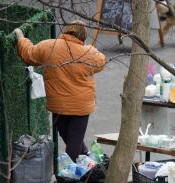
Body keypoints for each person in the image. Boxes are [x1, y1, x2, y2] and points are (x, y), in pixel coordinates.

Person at [14, 21, 106, 161]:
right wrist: (87, 48)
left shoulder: (49, 46)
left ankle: (82, 163)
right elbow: (101, 62)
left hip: (58, 105)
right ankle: (73, 176)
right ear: (83, 36)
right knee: (74, 140)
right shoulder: (88, 52)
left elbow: (29, 54)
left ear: (66, 31)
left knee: (69, 138)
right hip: (81, 107)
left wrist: (21, 37)